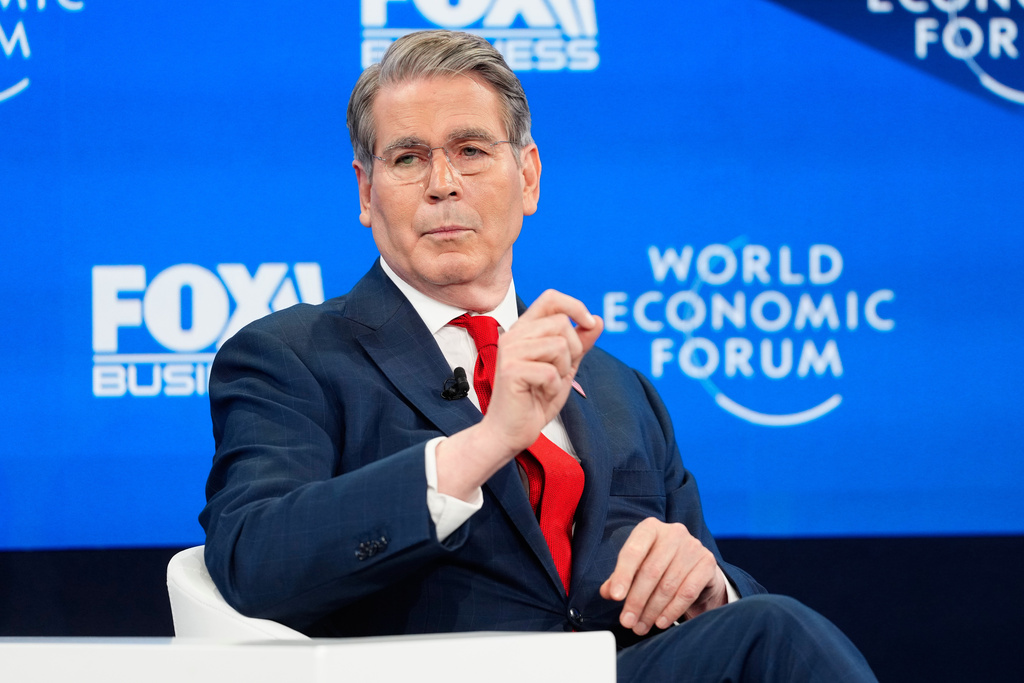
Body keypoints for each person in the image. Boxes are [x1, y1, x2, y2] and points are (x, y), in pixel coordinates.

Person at [200, 30, 876, 682]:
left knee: (762, 628)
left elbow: (720, 588)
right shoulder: (291, 357)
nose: (442, 183)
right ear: (366, 193)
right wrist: (491, 439)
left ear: (527, 177)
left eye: (470, 150)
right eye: (408, 158)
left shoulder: (618, 390)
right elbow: (254, 561)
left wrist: (708, 584)